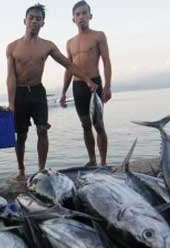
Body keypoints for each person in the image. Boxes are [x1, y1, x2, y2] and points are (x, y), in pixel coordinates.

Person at [7, 4, 97, 181]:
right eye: (31, 17)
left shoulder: (47, 46)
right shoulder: (12, 47)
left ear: (43, 23)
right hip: (20, 93)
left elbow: (68, 64)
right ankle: (21, 169)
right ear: (25, 21)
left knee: (42, 130)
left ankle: (41, 169)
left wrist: (87, 79)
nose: (34, 21)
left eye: (38, 19)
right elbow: (10, 77)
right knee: (21, 135)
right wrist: (11, 102)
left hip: (38, 92)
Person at [60, 1, 112, 166]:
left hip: (95, 85)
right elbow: (69, 68)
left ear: (90, 16)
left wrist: (108, 86)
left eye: (84, 13)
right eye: (78, 14)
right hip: (78, 86)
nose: (81, 17)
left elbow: (106, 61)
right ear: (73, 19)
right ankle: (92, 160)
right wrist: (63, 92)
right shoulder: (70, 42)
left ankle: (103, 162)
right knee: (85, 125)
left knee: (99, 125)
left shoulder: (98, 36)